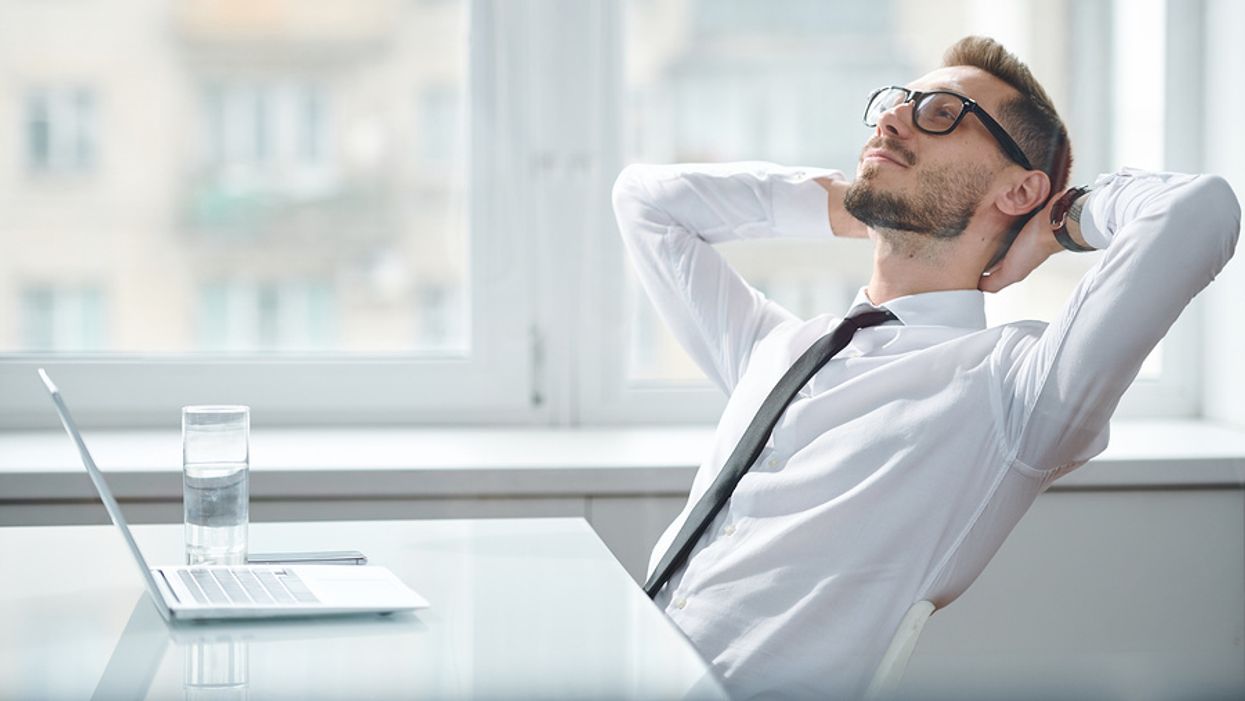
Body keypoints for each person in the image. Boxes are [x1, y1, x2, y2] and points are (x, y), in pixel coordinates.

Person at [610, 35, 1241, 700]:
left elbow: (1197, 212)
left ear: (1018, 187)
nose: (891, 119)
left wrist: (1058, 222)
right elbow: (645, 201)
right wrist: (853, 203)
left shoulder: (1011, 390)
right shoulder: (774, 348)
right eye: (895, 104)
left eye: (941, 112)